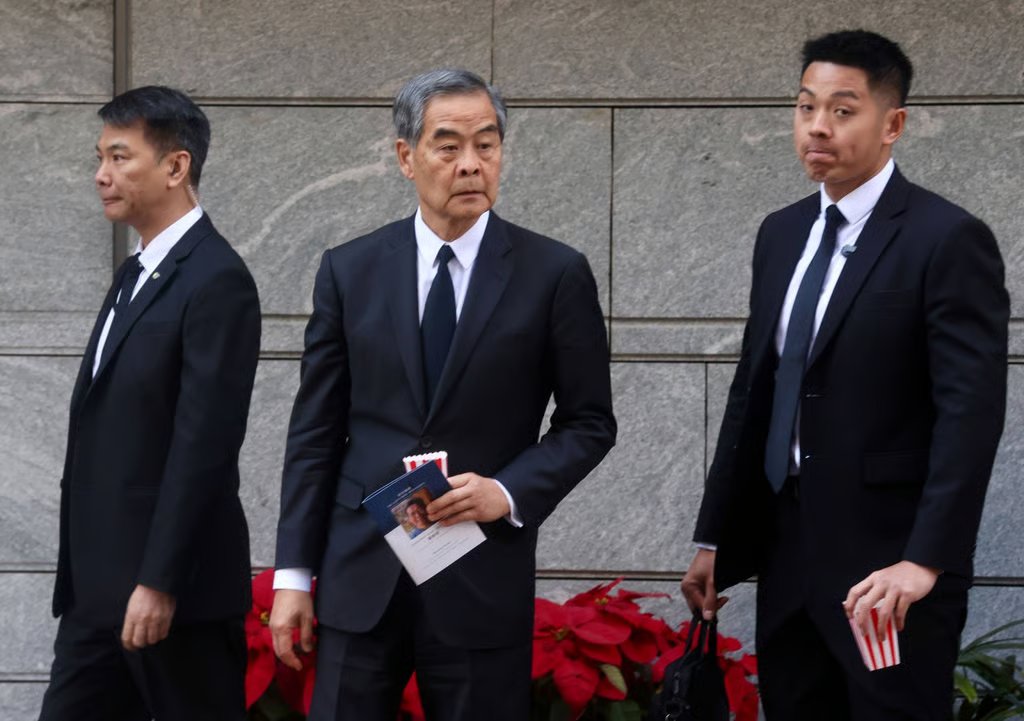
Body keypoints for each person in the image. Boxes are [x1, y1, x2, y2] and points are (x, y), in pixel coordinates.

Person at [681, 30, 1008, 721]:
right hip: (787, 548)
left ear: (893, 124)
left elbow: (969, 416)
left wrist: (924, 562)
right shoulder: (781, 233)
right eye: (805, 108)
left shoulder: (945, 239)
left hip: (887, 571)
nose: (817, 127)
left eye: (841, 109)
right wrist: (715, 536)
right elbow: (753, 392)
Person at [270, 68, 616, 720]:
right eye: (448, 145)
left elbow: (589, 421)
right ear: (406, 156)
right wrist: (293, 574)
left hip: (479, 572)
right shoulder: (350, 270)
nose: (470, 164)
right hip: (360, 570)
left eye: (486, 145)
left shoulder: (554, 274)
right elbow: (316, 431)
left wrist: (506, 491)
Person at [39, 86, 261, 721]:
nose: (101, 175)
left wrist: (159, 581)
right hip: (97, 597)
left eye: (118, 157)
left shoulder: (216, 279)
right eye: (100, 158)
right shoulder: (136, 272)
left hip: (170, 602)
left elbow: (204, 446)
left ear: (175, 166)